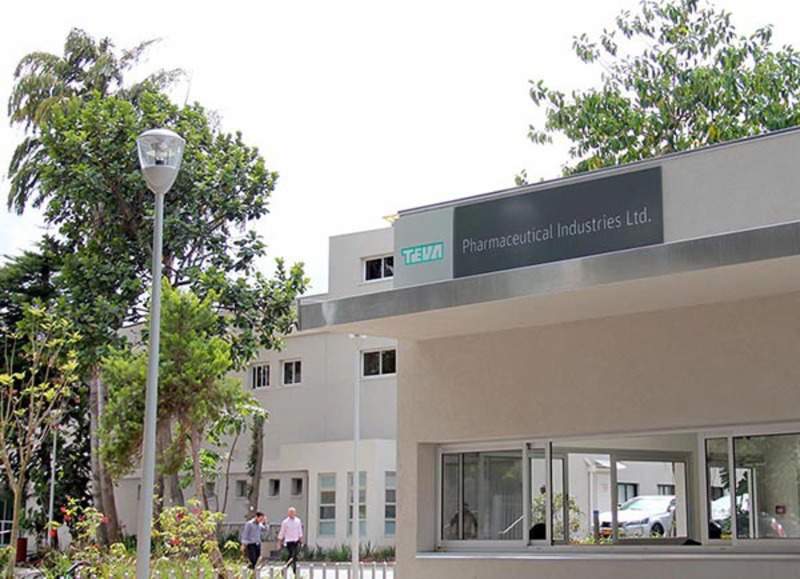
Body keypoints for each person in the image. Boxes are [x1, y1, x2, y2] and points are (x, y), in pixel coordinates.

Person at [277, 507, 304, 576]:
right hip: (289, 542)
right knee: (293, 556)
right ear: (288, 513)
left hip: (296, 541)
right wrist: (279, 542)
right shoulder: (285, 522)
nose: (292, 514)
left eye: (293, 512)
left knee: (293, 557)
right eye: (290, 512)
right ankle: (295, 572)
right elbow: (282, 532)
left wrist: (301, 541)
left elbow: (300, 531)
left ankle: (285, 568)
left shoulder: (298, 521)